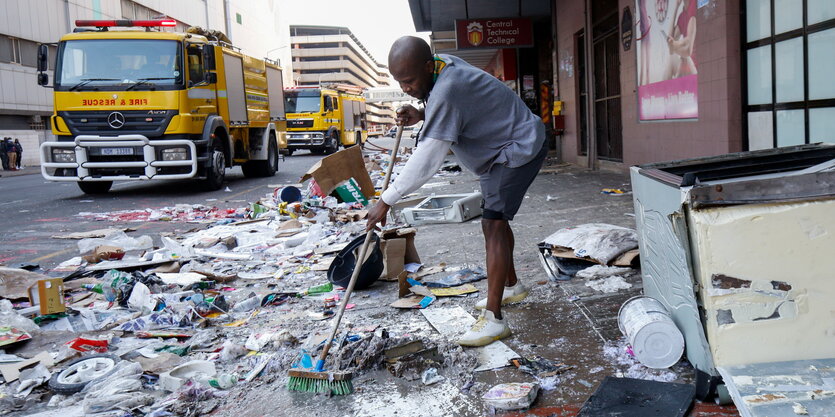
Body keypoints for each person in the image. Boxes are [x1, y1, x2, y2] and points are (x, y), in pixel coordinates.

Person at [366, 36, 547, 347]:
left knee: (493, 222)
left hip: (518, 148)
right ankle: (511, 286)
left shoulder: (448, 89)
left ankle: (494, 319)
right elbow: (461, 106)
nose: (406, 88)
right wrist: (423, 115)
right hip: (500, 150)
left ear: (426, 65)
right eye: (400, 83)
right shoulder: (443, 64)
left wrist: (386, 201)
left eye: (409, 81)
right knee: (496, 220)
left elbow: (428, 160)